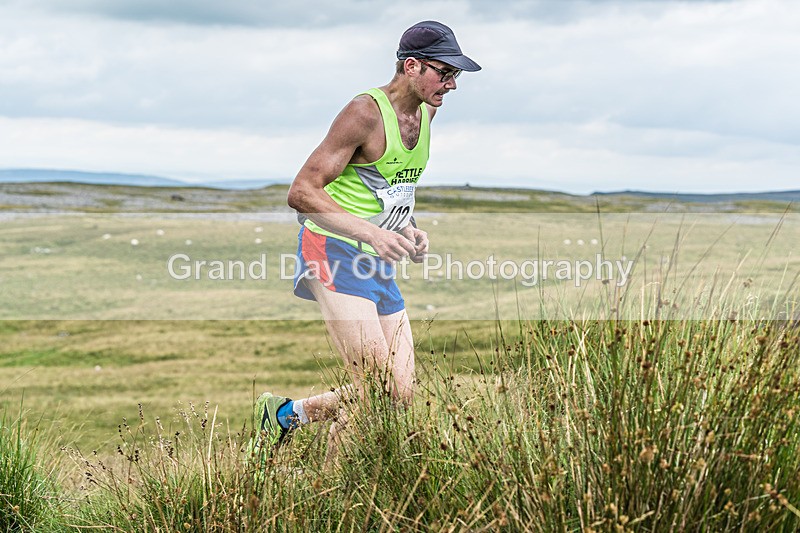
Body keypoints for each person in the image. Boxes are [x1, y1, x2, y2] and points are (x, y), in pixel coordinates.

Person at [251, 20, 481, 467]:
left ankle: (283, 416)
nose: (452, 84)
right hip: (332, 251)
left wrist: (408, 227)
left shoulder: (427, 114)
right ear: (411, 66)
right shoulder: (364, 113)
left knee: (399, 394)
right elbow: (302, 192)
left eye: (455, 75)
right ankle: (332, 492)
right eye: (444, 73)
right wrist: (373, 233)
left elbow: (390, 185)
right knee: (374, 389)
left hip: (376, 261)